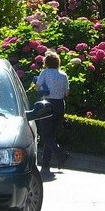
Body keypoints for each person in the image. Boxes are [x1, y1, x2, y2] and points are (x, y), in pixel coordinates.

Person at [35, 51, 70, 180]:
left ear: (46, 62)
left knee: (45, 135)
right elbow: (66, 93)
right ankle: (45, 166)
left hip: (48, 104)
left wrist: (42, 86)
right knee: (52, 136)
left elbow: (37, 88)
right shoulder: (63, 75)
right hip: (60, 105)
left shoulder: (44, 73)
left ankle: (61, 153)